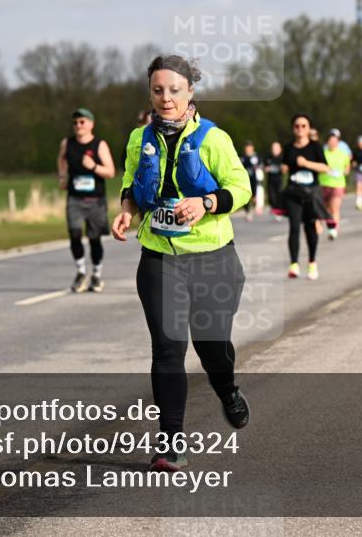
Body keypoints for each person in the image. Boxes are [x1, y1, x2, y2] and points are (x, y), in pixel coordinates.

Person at [111, 54, 251, 472]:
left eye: (174, 90)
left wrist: (205, 203)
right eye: (158, 90)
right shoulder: (140, 138)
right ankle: (171, 442)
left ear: (190, 90)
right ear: (150, 93)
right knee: (168, 349)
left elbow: (241, 188)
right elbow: (133, 183)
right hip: (160, 257)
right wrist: (126, 211)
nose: (166, 98)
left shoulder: (213, 138)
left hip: (213, 260)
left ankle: (226, 390)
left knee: (212, 352)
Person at [57, 108, 116, 293]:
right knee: (74, 234)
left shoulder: (100, 144)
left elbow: (111, 171)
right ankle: (81, 272)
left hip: (95, 199)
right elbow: (61, 160)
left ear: (91, 124)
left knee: (94, 239)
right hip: (74, 198)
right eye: (75, 122)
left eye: (82, 122)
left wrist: (94, 166)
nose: (78, 126)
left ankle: (96, 274)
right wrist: (62, 176)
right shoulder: (67, 143)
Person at [283, 114, 331, 279]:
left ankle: (312, 262)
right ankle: (294, 264)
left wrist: (307, 164)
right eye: (297, 126)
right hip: (293, 192)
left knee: (310, 227)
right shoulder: (289, 148)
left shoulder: (315, 147)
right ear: (293, 129)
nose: (300, 129)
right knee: (294, 227)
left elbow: (326, 168)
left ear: (309, 128)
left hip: (311, 193)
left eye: (304, 126)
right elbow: (284, 165)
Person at [319, 129, 350, 240]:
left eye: (334, 141)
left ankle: (333, 230)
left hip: (338, 184)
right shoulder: (323, 153)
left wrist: (341, 172)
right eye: (330, 141)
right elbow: (318, 167)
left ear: (338, 142)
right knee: (325, 209)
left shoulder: (343, 154)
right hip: (324, 183)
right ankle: (327, 225)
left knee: (334, 208)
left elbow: (347, 168)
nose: (332, 143)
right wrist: (327, 170)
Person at [239, 141, 261, 222]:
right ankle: (248, 212)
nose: (248, 149)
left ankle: (255, 203)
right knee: (246, 196)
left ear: (252, 148)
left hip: (253, 179)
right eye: (247, 147)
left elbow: (260, 164)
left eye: (249, 147)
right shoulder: (242, 157)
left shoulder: (256, 156)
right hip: (244, 179)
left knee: (253, 195)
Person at [264, 141, 285, 218]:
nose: (274, 150)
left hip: (279, 180)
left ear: (280, 149)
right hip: (270, 180)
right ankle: (274, 208)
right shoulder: (268, 157)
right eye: (273, 148)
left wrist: (282, 168)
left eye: (276, 148)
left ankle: (278, 211)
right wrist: (267, 169)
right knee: (271, 196)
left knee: (278, 195)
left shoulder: (283, 158)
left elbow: (285, 169)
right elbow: (265, 167)